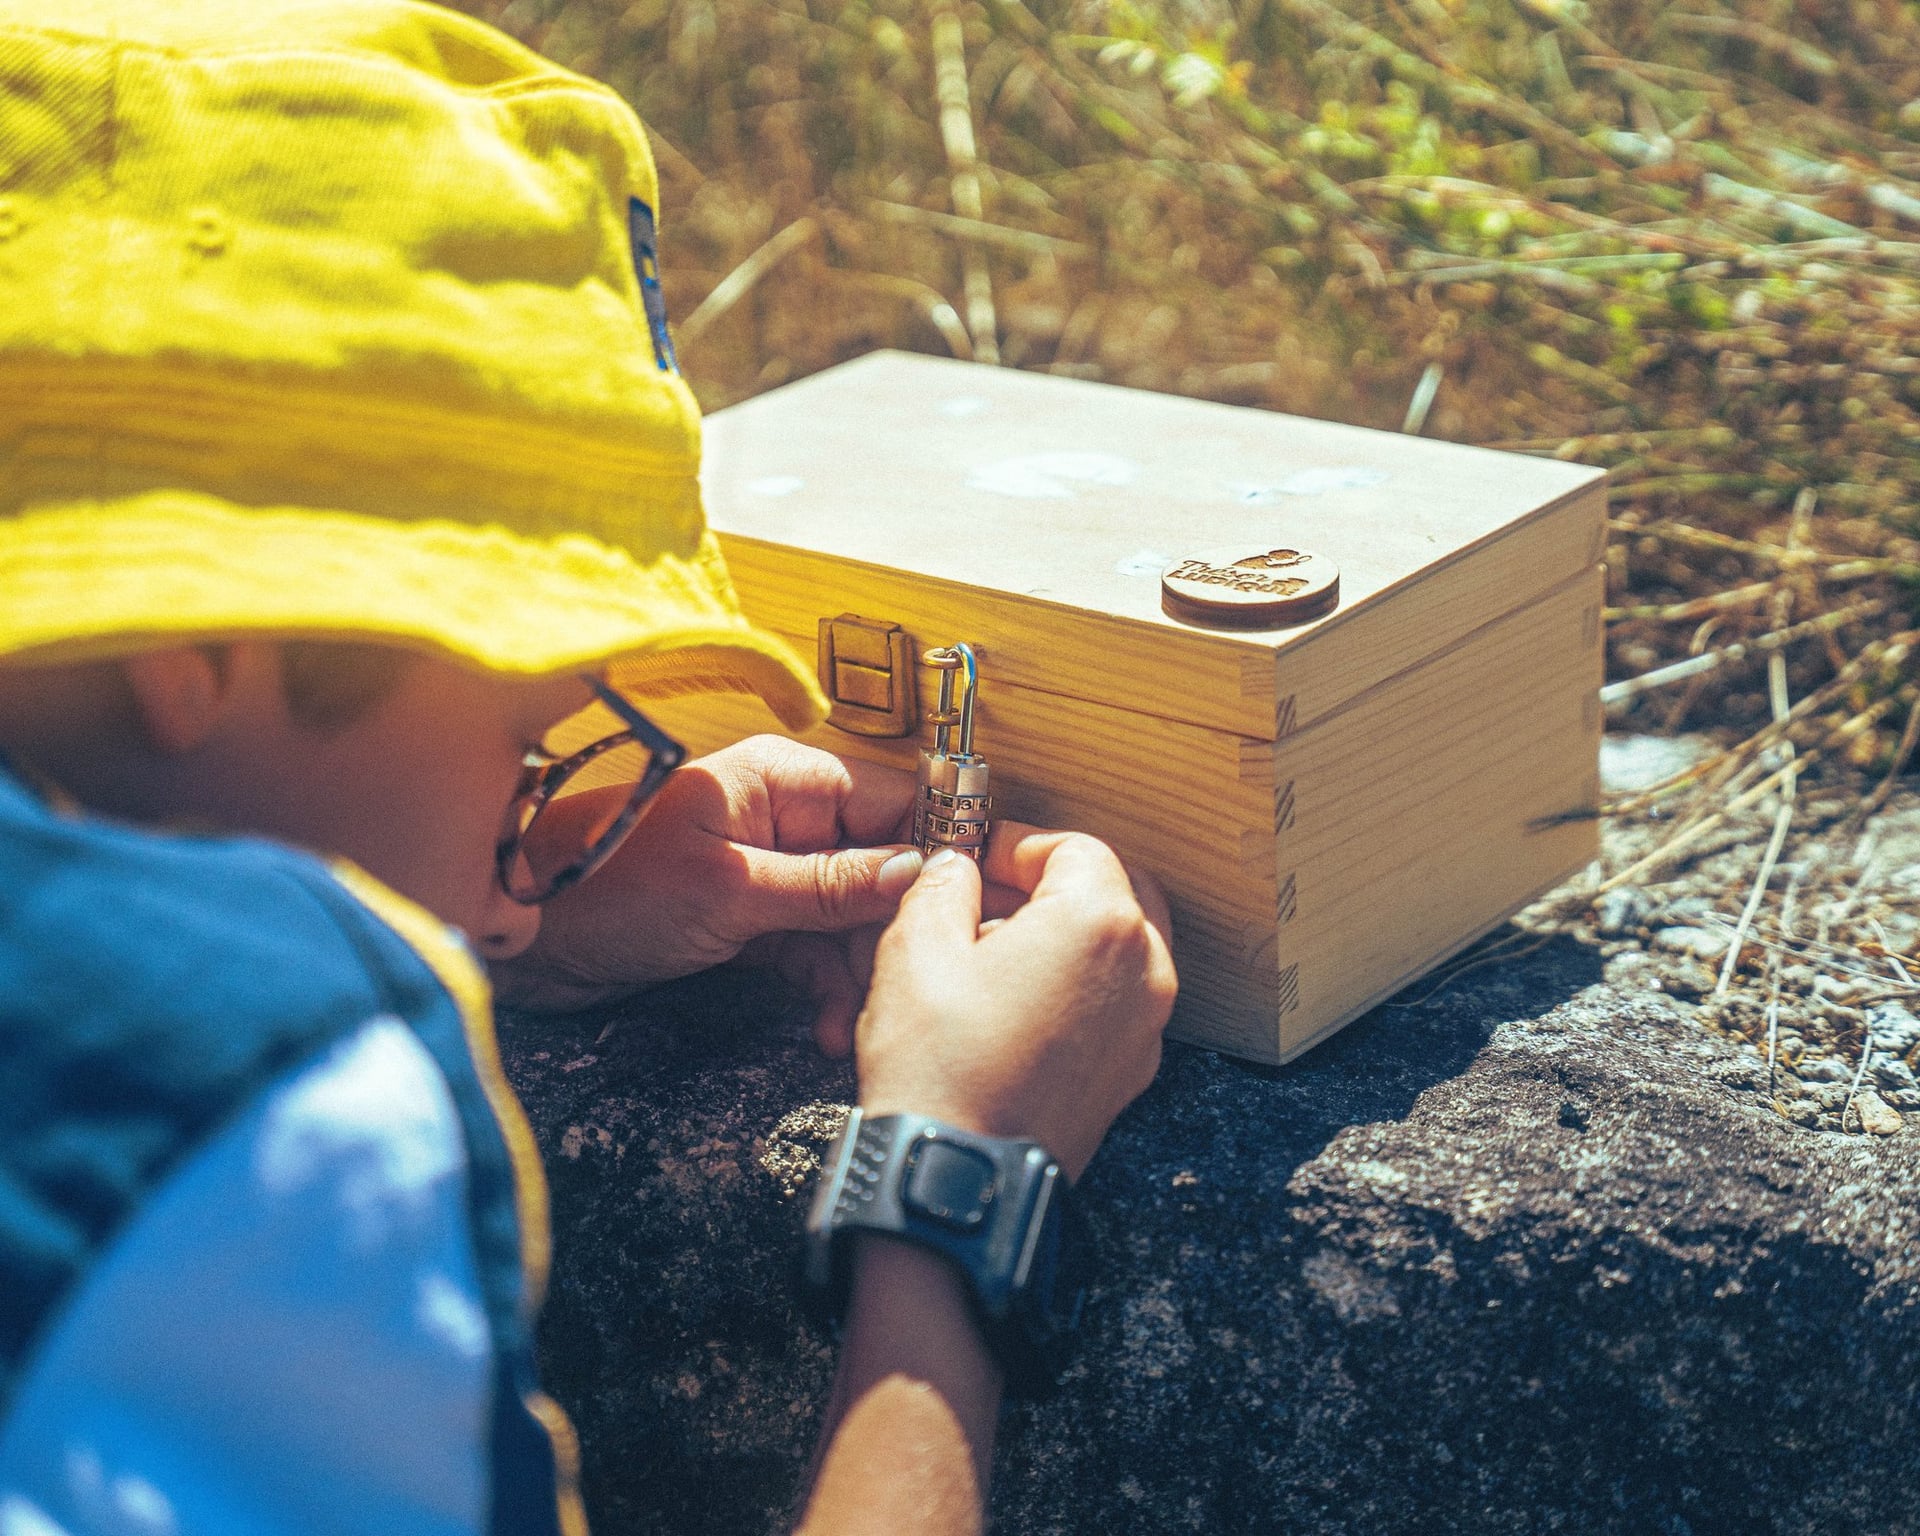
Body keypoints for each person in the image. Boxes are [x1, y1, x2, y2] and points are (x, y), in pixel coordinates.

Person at [0, 3, 1177, 1534]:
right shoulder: (257, 1091)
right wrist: (954, 1189)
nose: (507, 902)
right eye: (531, 750)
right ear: (195, 647)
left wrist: (532, 926)